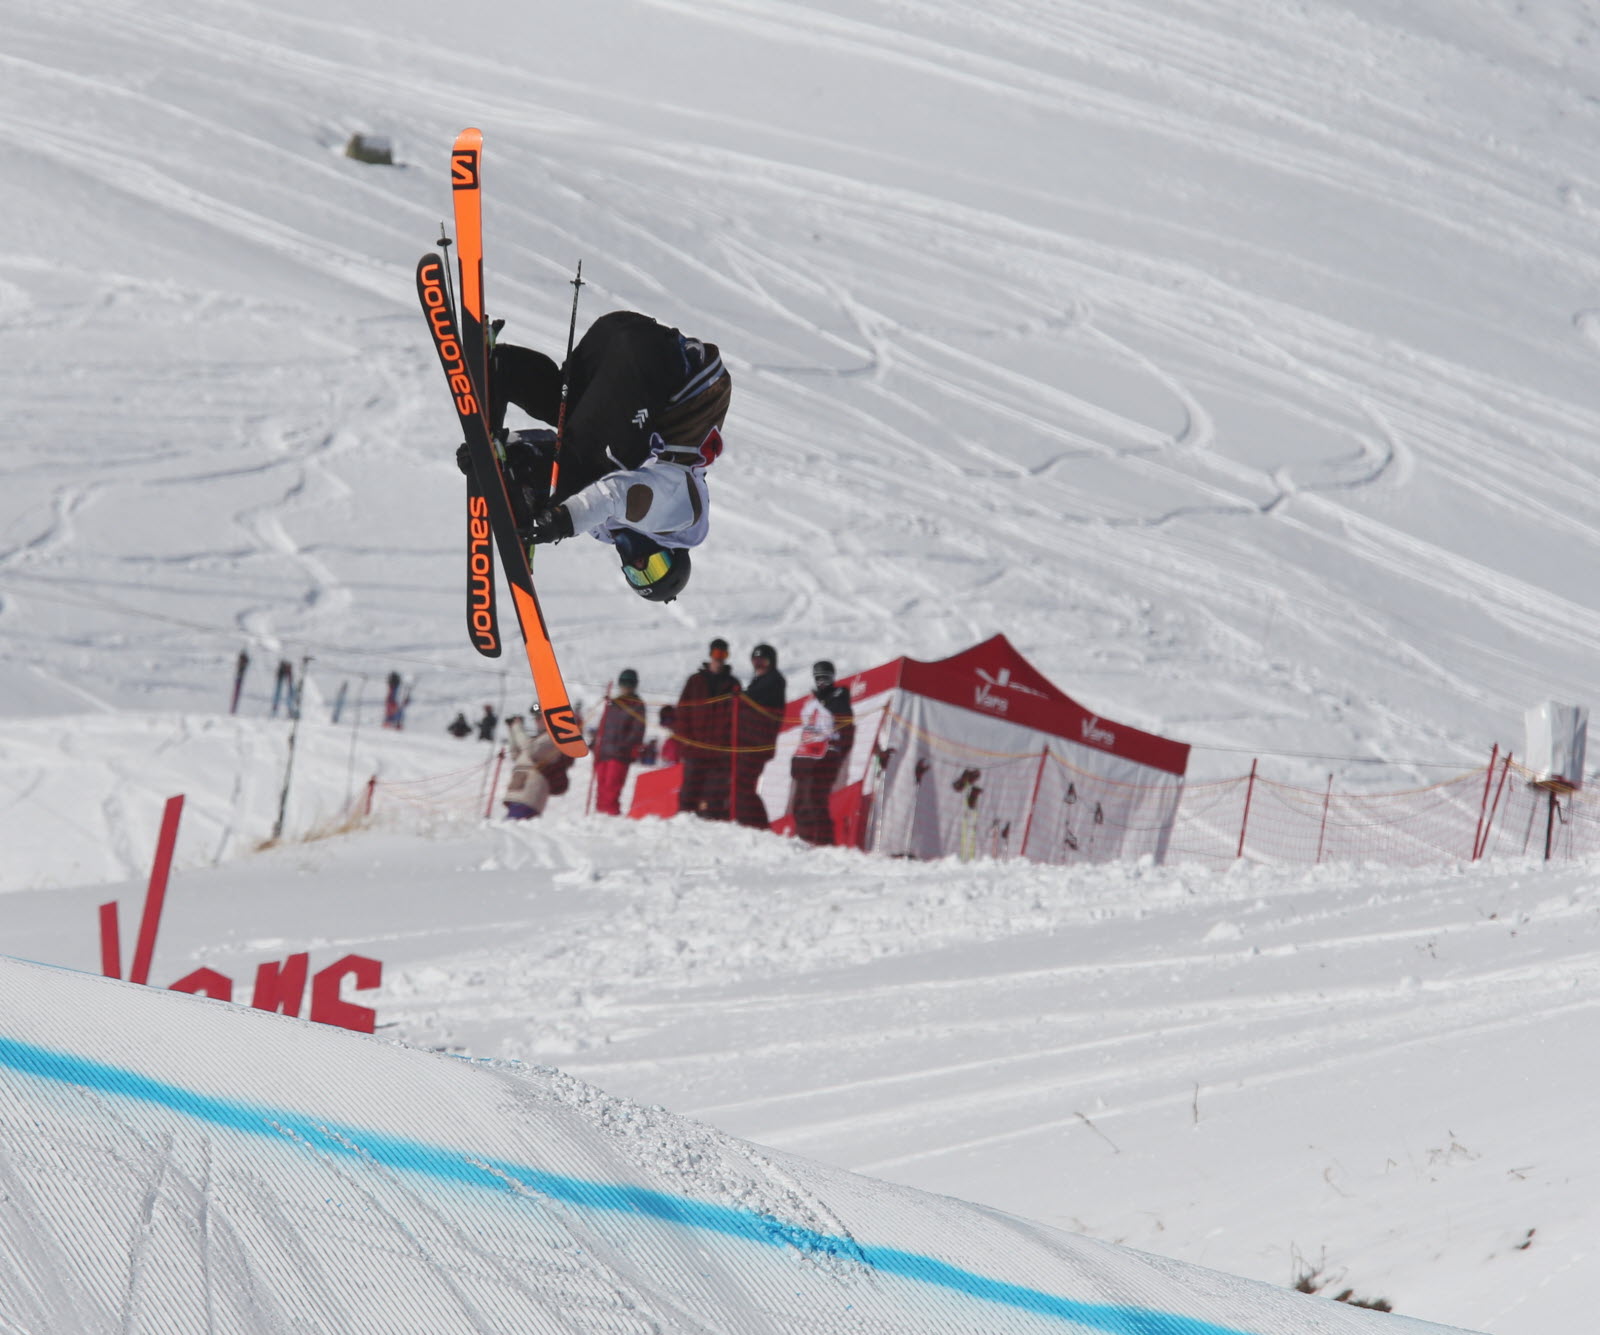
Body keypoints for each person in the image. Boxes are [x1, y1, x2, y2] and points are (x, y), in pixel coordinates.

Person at [456, 310, 731, 604]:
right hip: (662, 369)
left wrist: (502, 448)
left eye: (637, 575)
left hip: (617, 336)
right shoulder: (681, 518)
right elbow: (616, 493)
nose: (639, 564)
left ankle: (504, 368)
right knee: (579, 474)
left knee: (567, 418)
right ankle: (519, 483)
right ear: (673, 553)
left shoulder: (607, 524)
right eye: (655, 567)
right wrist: (563, 519)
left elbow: (560, 449)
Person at [789, 660, 855, 846]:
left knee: (814, 801)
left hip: (825, 759)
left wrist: (836, 757)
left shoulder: (839, 699)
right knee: (800, 803)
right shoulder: (811, 703)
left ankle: (822, 843)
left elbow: (845, 730)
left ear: (833, 678)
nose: (822, 683)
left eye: (825, 678)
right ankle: (804, 839)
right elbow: (806, 732)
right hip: (807, 759)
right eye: (818, 678)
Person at [674, 638, 741, 820]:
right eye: (716, 654)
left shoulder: (733, 685)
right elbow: (682, 713)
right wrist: (686, 741)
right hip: (695, 750)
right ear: (710, 655)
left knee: (714, 797)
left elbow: (738, 719)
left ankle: (711, 834)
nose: (719, 659)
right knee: (689, 794)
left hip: (720, 754)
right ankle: (683, 826)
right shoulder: (695, 681)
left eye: (723, 655)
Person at [733, 643, 787, 828]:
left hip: (757, 744)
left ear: (772, 662)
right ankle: (750, 824)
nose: (758, 666)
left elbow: (751, 698)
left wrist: (737, 695)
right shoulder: (759, 682)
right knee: (740, 785)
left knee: (743, 786)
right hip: (748, 743)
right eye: (755, 662)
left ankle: (759, 827)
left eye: (762, 661)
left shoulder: (774, 680)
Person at [592, 669, 648, 816]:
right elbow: (603, 725)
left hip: (619, 755)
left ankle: (610, 819)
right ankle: (599, 819)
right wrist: (596, 744)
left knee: (612, 789)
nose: (626, 687)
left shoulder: (637, 705)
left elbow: (637, 731)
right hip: (603, 752)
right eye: (624, 683)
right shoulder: (612, 704)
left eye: (630, 683)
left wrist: (624, 746)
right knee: (601, 789)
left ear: (635, 685)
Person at [501, 712, 576, 820]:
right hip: (517, 792)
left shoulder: (554, 738)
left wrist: (517, 728)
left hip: (529, 795)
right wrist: (512, 730)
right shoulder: (539, 739)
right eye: (535, 718)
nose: (536, 721)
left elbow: (531, 750)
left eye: (539, 717)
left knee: (514, 829)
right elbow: (516, 755)